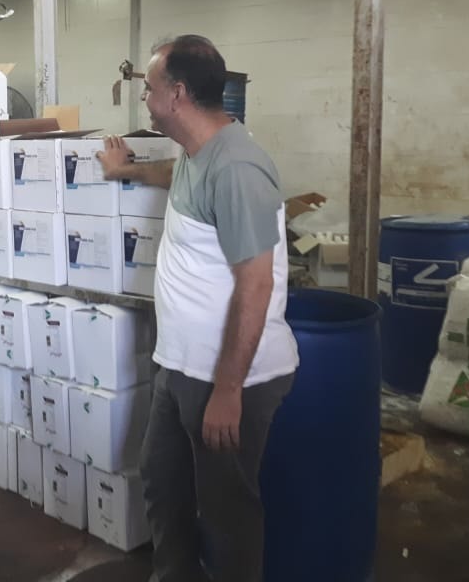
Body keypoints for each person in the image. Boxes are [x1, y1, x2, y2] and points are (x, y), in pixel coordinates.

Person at [96, 35, 299, 582]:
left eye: (150, 87)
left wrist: (229, 391)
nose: (145, 97)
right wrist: (124, 171)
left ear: (178, 94)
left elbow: (256, 285)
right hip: (181, 365)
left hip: (228, 377)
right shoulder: (197, 152)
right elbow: (176, 177)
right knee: (163, 483)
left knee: (226, 513)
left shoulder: (238, 168)